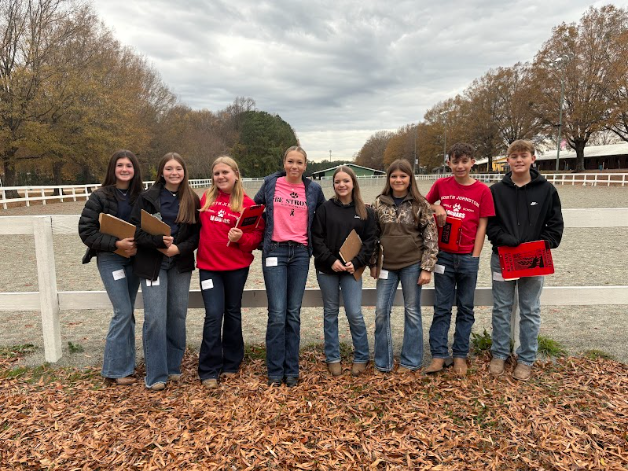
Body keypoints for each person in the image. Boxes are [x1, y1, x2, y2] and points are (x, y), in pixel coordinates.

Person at [487, 140, 563, 381]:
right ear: (507, 161)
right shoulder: (496, 191)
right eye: (514, 156)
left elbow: (555, 224)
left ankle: (527, 357)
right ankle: (499, 353)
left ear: (533, 158)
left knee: (530, 309)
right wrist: (504, 239)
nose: (519, 160)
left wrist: (542, 244)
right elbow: (490, 225)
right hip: (504, 258)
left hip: (534, 259)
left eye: (523, 155)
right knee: (501, 308)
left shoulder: (546, 190)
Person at [254, 145, 325, 387]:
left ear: (306, 166)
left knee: (293, 314)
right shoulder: (270, 184)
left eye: (299, 163)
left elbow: (323, 218)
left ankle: (291, 370)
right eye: (290, 161)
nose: (294, 167)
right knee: (276, 314)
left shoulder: (314, 189)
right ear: (284, 162)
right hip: (276, 251)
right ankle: (275, 371)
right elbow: (254, 212)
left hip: (301, 254)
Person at [130, 152, 200, 391]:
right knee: (156, 318)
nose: (174, 173)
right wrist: (159, 242)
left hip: (180, 263)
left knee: (177, 315)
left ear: (184, 172)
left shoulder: (192, 198)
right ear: (161, 172)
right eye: (169, 169)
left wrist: (179, 249)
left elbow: (196, 236)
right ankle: (156, 374)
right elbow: (136, 232)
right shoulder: (147, 198)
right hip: (153, 264)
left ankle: (173, 366)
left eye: (178, 169)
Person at [424, 143, 495, 376]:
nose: (460, 166)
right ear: (449, 163)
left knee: (466, 308)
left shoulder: (483, 191)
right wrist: (436, 206)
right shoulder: (441, 185)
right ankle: (438, 355)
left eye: (464, 161)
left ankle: (460, 356)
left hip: (467, 257)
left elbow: (483, 225)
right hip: (444, 255)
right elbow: (424, 204)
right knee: (442, 307)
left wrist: (475, 256)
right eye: (455, 162)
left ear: (472, 162)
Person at [196, 156, 264, 389]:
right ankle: (208, 369)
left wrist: (241, 238)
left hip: (236, 268)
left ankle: (232, 362)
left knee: (232, 312)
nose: (221, 177)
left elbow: (256, 238)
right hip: (209, 268)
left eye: (225, 172)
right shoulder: (206, 198)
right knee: (213, 315)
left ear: (236, 174)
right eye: (217, 173)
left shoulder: (247, 203)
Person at [79, 150, 143, 385]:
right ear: (113, 169)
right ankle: (113, 371)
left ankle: (126, 366)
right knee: (123, 312)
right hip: (111, 258)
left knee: (128, 313)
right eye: (120, 165)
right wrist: (116, 243)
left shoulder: (141, 196)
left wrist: (139, 245)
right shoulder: (99, 196)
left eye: (129, 165)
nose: (124, 169)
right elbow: (86, 231)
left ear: (135, 169)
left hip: (134, 259)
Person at [370, 159, 438, 374]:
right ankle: (383, 362)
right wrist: (373, 262)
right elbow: (372, 236)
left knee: (412, 312)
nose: (398, 180)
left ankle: (411, 361)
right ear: (388, 179)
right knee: (381, 312)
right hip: (386, 266)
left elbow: (431, 237)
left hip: (412, 264)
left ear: (410, 179)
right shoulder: (379, 203)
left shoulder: (420, 204)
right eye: (394, 176)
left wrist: (427, 267)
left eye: (403, 176)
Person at [311, 166, 377, 377]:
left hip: (351, 271)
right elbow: (317, 238)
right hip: (327, 269)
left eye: (346, 181)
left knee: (354, 313)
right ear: (333, 184)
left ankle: (361, 356)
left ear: (353, 183)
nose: (342, 185)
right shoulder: (324, 209)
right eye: (338, 181)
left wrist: (356, 262)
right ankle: (333, 357)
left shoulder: (365, 211)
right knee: (330, 314)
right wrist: (331, 261)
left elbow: (369, 241)